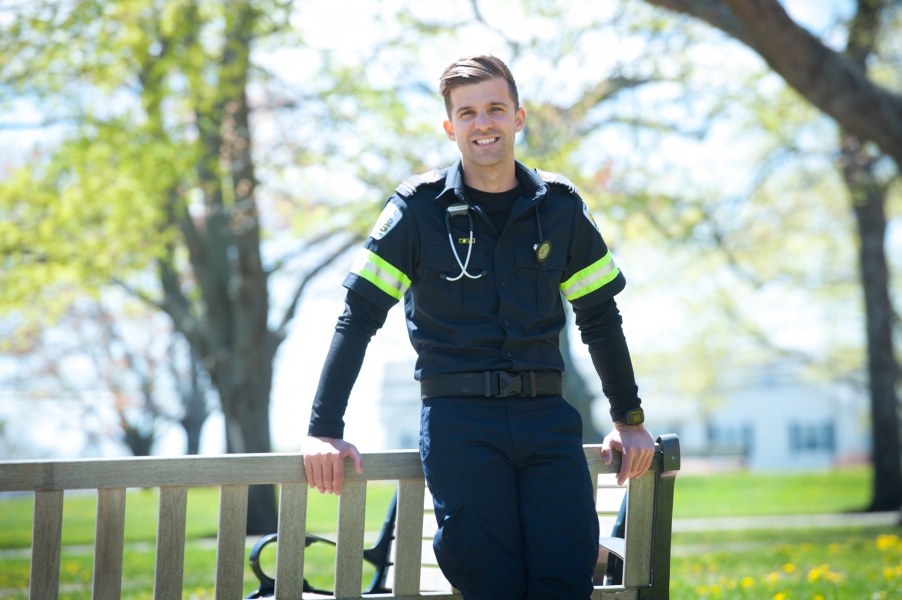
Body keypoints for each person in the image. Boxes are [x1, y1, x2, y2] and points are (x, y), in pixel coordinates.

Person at [303, 54, 655, 600]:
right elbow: (359, 316)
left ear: (518, 118)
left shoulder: (561, 208)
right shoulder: (416, 210)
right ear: (450, 127)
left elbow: (600, 317)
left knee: (565, 577)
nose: (482, 123)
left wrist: (629, 418)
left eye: (495, 108)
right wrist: (324, 427)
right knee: (490, 584)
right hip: (458, 427)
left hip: (547, 420)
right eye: (467, 113)